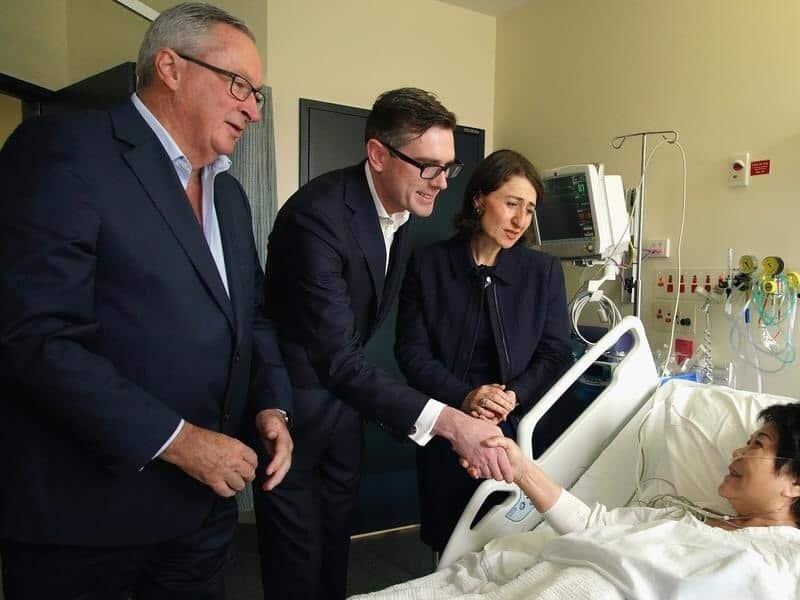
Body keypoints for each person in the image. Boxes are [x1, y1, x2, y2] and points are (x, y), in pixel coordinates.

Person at [0, 4, 292, 598]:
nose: (254, 109)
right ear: (171, 67)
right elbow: (34, 335)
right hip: (87, 521)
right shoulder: (64, 151)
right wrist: (178, 440)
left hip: (200, 518)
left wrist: (272, 406)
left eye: (258, 94)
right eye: (240, 85)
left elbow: (251, 317)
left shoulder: (230, 196)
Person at [257, 88, 514, 600]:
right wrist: (451, 422)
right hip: (292, 420)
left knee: (334, 561)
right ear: (378, 155)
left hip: (343, 419)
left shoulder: (399, 219)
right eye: (428, 167)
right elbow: (336, 357)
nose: (442, 183)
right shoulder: (318, 218)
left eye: (448, 168)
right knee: (297, 572)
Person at [353, 403, 800, 599]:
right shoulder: (683, 514)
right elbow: (594, 525)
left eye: (756, 445)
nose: (737, 453)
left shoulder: (782, 560)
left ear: (795, 483)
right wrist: (521, 468)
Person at [395, 149, 572, 553]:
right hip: (451, 423)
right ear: (479, 199)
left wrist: (513, 396)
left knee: (509, 545)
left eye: (528, 209)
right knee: (451, 541)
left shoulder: (542, 272)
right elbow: (412, 353)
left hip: (517, 424)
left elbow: (556, 353)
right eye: (511, 204)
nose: (519, 220)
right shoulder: (429, 265)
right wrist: (466, 396)